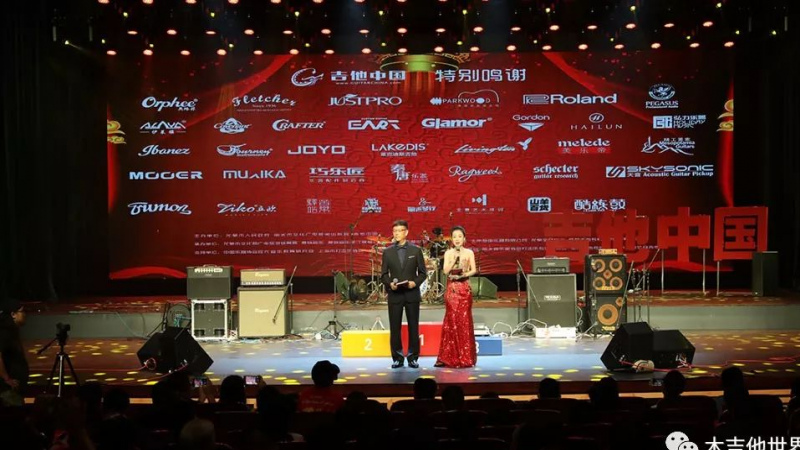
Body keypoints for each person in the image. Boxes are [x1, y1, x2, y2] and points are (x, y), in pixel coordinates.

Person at [381, 220, 427, 369]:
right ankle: (397, 358)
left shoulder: (415, 250)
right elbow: (383, 275)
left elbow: (423, 273)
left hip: (411, 294)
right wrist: (390, 284)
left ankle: (413, 357)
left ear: (406, 232)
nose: (397, 233)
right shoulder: (387, 252)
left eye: (400, 230)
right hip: (395, 295)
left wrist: (415, 283)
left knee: (414, 327)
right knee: (395, 328)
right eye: (394, 231)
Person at [434, 226, 477, 368]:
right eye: (454, 237)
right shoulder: (448, 253)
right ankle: (448, 357)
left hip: (464, 289)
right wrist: (454, 260)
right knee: (451, 321)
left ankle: (465, 357)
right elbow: (445, 271)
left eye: (460, 236)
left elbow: (474, 270)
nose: (457, 239)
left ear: (464, 238)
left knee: (464, 321)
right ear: (451, 239)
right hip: (452, 289)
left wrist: (464, 274)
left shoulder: (469, 252)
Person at [0, 298, 28, 406]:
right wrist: (6, 379)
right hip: (9, 391)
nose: (25, 314)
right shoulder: (5, 332)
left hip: (15, 389)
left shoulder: (12, 331)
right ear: (13, 314)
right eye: (22, 311)